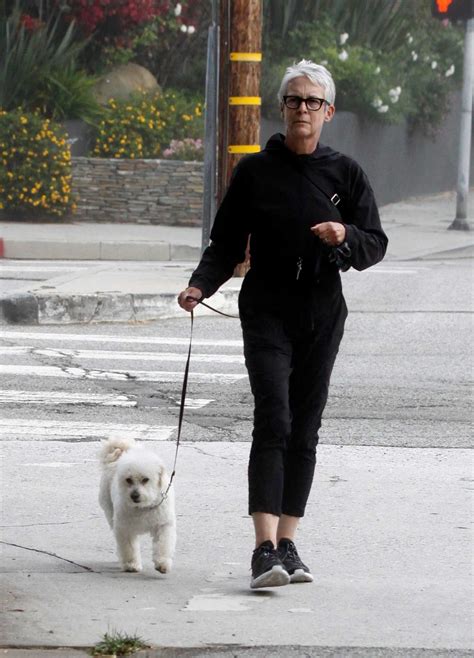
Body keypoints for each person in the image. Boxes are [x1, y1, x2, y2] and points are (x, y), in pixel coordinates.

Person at [178, 59, 388, 589]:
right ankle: (263, 549)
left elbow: (375, 243)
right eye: (293, 100)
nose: (301, 109)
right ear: (282, 108)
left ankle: (289, 542)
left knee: (306, 424)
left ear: (328, 112)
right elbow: (225, 243)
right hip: (267, 308)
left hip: (322, 312)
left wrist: (346, 236)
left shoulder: (346, 173)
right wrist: (201, 285)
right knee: (274, 417)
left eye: (312, 101)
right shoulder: (254, 172)